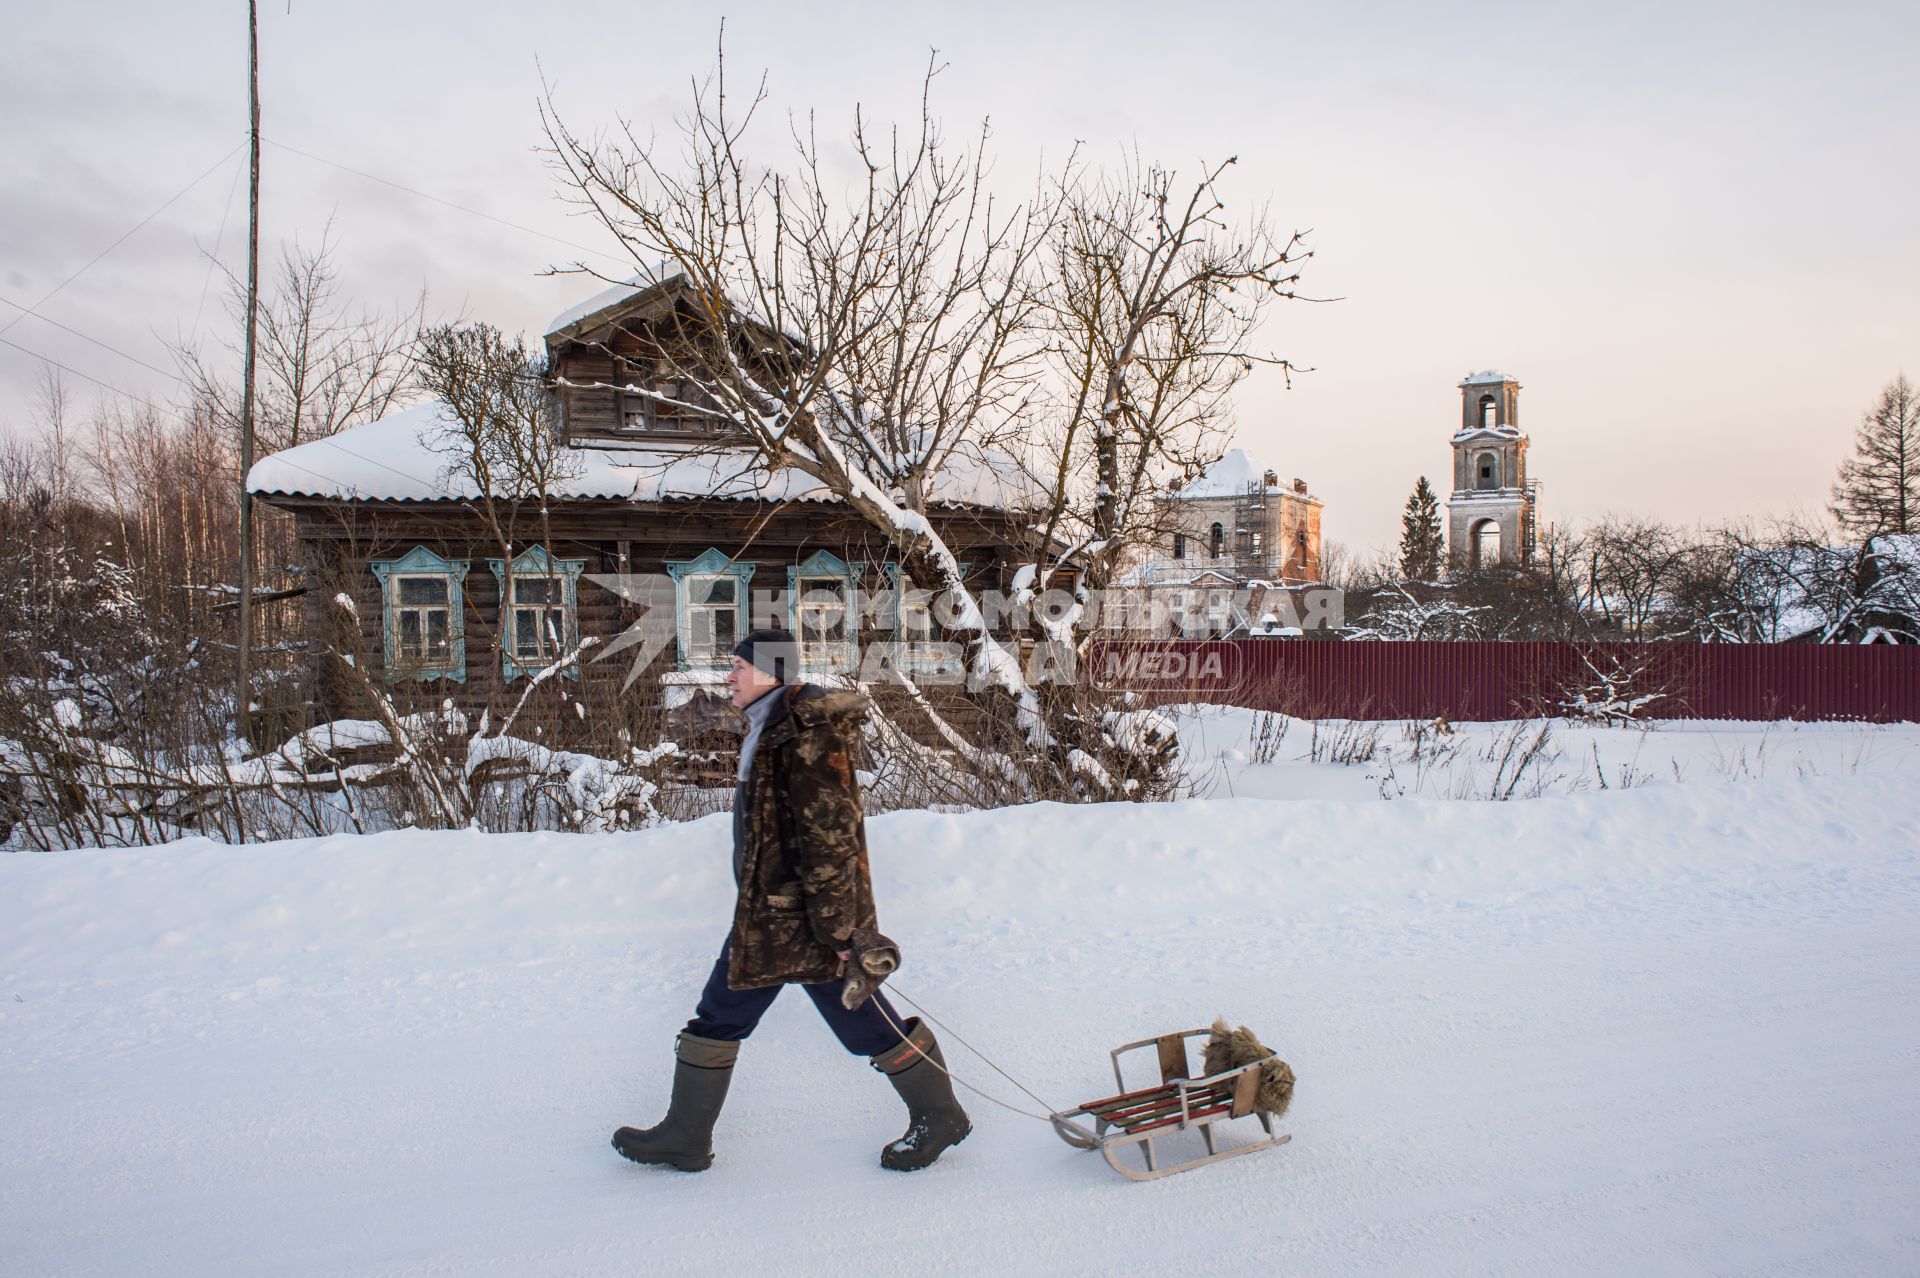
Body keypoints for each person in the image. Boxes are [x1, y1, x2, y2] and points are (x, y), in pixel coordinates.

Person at [613, 628, 971, 1173]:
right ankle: (685, 1135)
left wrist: (842, 933)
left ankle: (939, 1115)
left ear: (771, 672)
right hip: (769, 914)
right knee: (721, 1015)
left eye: (738, 666)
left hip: (805, 921)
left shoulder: (809, 732)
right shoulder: (773, 725)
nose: (728, 677)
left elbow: (831, 838)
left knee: (859, 1021)